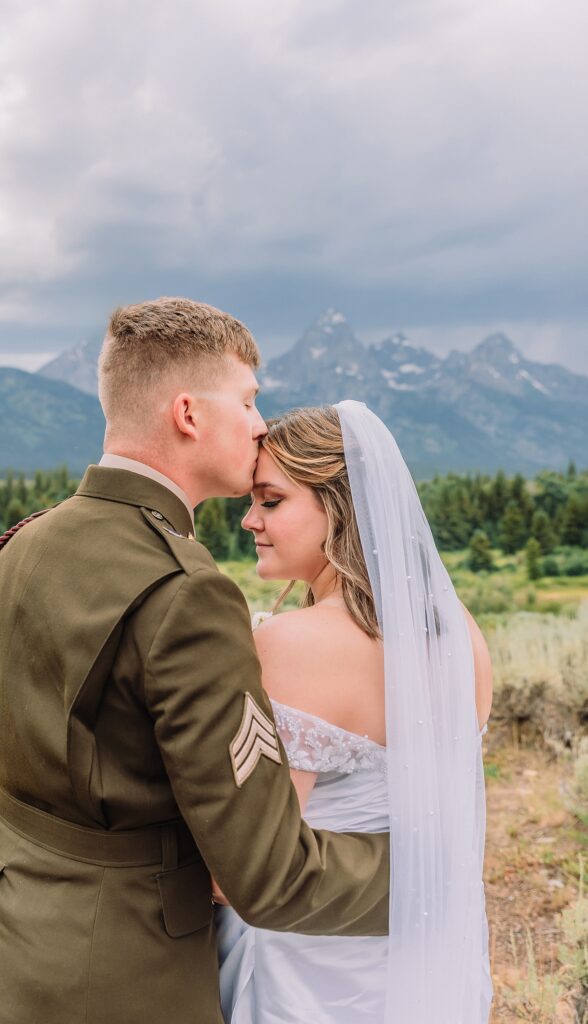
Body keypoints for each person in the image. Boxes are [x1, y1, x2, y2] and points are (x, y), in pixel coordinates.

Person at [0, 300, 390, 1024]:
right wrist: (422, 873)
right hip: (121, 971)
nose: (259, 423)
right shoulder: (188, 593)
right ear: (189, 414)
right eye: (248, 400)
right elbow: (268, 876)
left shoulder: (16, 550)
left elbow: (9, 770)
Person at [216, 402, 493, 1024]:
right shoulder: (461, 632)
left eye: (270, 501)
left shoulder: (293, 644)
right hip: (419, 957)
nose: (249, 520)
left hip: (307, 968)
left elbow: (246, 869)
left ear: (340, 508)